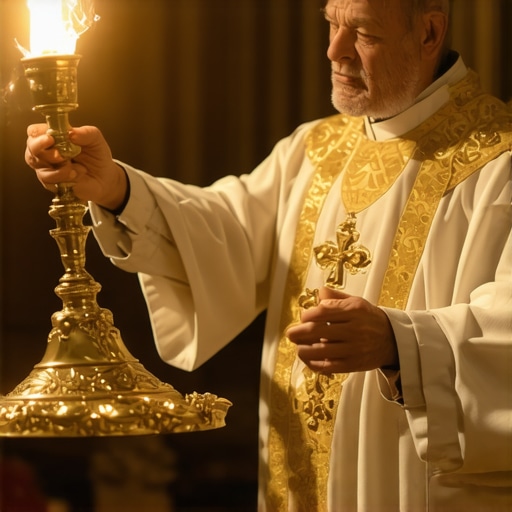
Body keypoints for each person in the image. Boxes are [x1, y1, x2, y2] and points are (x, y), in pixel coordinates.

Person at [25, 0, 512, 510]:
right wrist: (117, 188)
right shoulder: (315, 149)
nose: (334, 50)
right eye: (331, 23)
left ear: (430, 32)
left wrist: (398, 344)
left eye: (363, 32)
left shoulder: (496, 163)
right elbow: (224, 233)